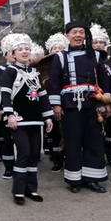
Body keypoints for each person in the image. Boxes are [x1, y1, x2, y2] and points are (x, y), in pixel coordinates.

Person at [48, 21, 111, 194]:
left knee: (94, 141)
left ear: (85, 36)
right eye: (74, 32)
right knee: (73, 141)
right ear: (67, 35)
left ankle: (93, 178)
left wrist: (107, 102)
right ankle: (74, 179)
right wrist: (56, 105)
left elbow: (104, 81)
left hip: (92, 104)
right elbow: (54, 82)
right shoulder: (60, 56)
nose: (77, 35)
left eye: (81, 32)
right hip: (70, 105)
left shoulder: (96, 55)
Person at [0, 34, 54, 205]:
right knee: (23, 153)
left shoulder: (34, 72)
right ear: (13, 54)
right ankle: (18, 190)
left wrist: (48, 117)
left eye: (27, 49)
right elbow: (6, 94)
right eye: (20, 49)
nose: (24, 51)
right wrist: (9, 115)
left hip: (35, 120)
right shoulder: (9, 71)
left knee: (33, 154)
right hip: (18, 120)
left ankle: (31, 189)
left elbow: (42, 96)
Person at [90, 23, 111, 168]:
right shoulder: (87, 61)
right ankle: (98, 155)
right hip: (92, 100)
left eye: (101, 42)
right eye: (94, 42)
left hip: (110, 99)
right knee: (95, 129)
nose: (98, 45)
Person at [0, 34, 17, 180]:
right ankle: (9, 167)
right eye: (11, 52)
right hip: (5, 108)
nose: (13, 55)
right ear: (5, 54)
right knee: (7, 139)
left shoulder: (26, 69)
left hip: (22, 109)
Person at [44, 33, 69, 172]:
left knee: (67, 133)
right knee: (54, 134)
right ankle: (57, 160)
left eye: (61, 47)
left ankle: (69, 158)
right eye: (55, 47)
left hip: (67, 103)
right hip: (50, 104)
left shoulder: (68, 63)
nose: (58, 49)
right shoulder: (43, 66)